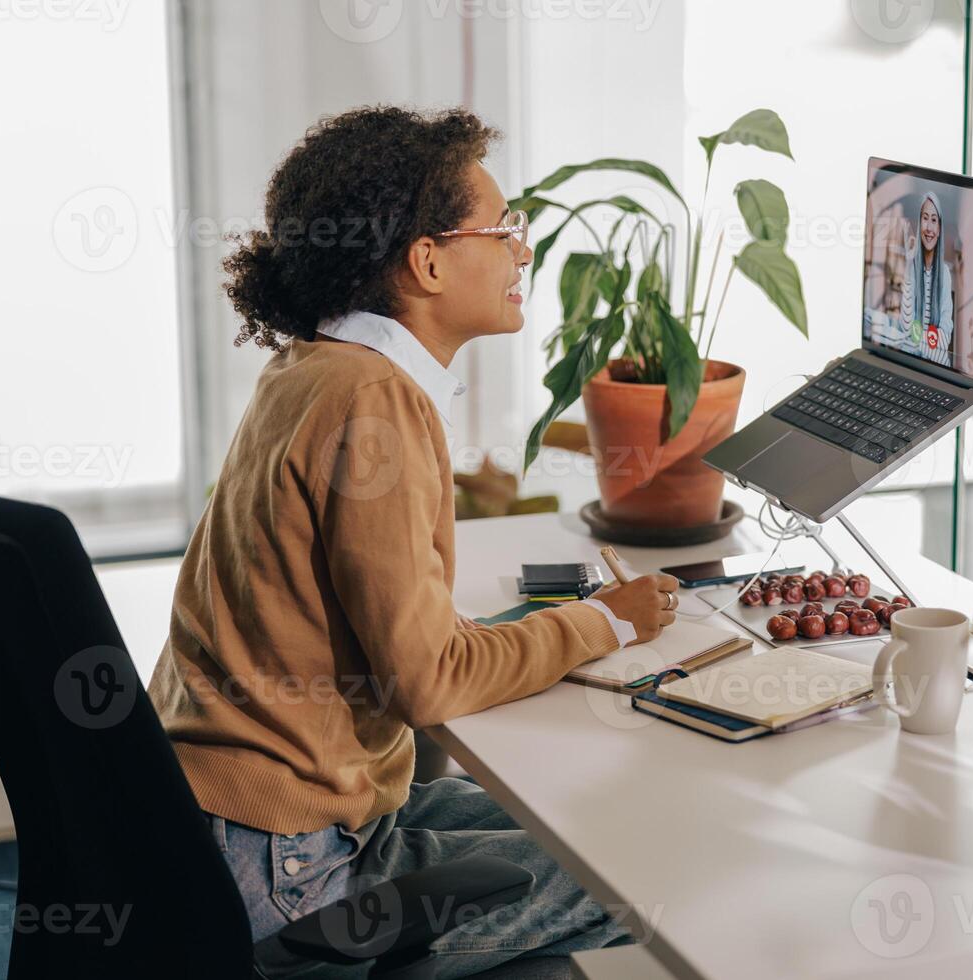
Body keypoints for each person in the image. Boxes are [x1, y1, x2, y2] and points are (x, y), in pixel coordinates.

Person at [146, 106, 678, 978]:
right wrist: (605, 625)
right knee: (651, 863)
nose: (523, 252)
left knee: (602, 819)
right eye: (506, 230)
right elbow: (429, 681)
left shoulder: (310, 367)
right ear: (426, 261)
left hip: (222, 826)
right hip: (291, 868)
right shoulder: (375, 402)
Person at [900, 191, 955, 366]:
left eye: (934, 220)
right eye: (925, 218)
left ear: (939, 229)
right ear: (919, 224)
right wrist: (909, 264)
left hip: (935, 367)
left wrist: (916, 339)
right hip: (909, 363)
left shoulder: (944, 273)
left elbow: (945, 338)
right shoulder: (912, 268)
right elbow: (905, 325)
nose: (929, 228)